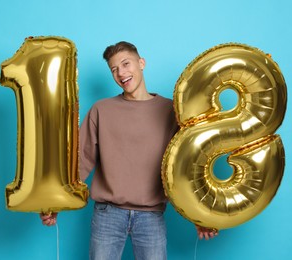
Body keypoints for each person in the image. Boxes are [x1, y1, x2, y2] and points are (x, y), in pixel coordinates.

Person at [40, 41, 218, 259]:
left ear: (141, 63)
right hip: (108, 215)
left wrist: (198, 218)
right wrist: (55, 201)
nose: (121, 73)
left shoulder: (172, 111)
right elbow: (80, 161)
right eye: (114, 69)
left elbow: (185, 169)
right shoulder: (101, 110)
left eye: (126, 64)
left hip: (151, 216)